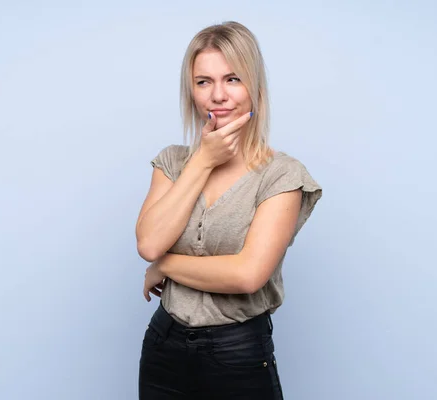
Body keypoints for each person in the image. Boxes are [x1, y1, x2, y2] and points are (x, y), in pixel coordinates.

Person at [135, 21, 322, 400]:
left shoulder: (281, 175)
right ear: (191, 91)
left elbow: (247, 276)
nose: (218, 95)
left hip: (238, 353)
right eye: (204, 82)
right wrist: (202, 161)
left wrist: (167, 267)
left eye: (232, 79)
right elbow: (150, 245)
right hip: (163, 346)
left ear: (254, 87)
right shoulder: (172, 163)